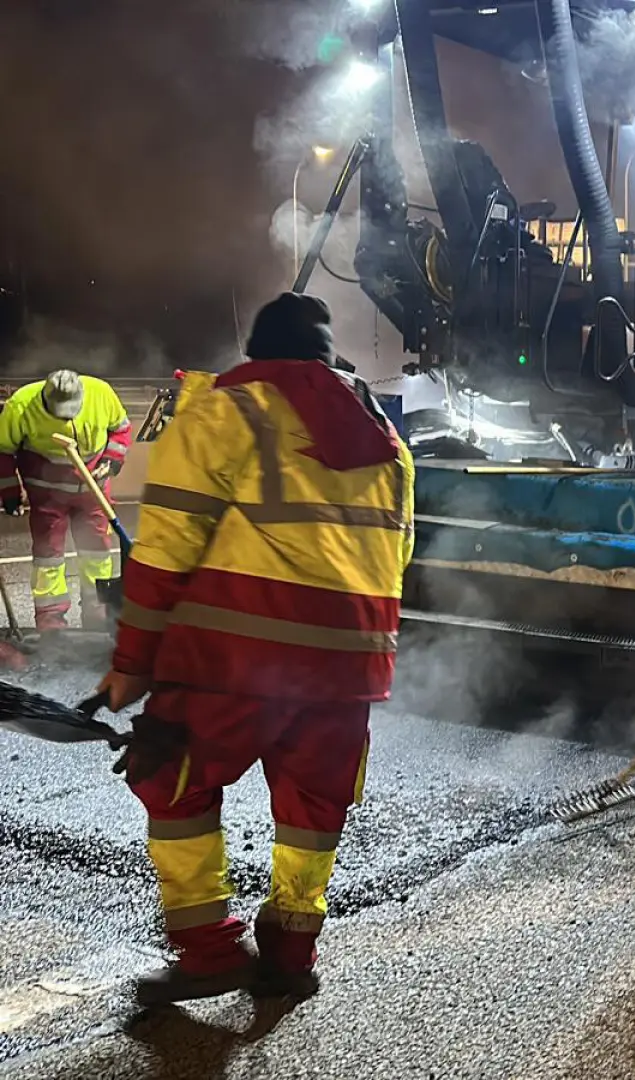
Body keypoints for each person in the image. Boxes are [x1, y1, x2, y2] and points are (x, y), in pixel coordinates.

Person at [96, 292, 414, 1005]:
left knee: (171, 779)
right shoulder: (385, 439)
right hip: (347, 665)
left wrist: (132, 666)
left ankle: (209, 949)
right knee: (313, 806)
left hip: (233, 654)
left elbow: (165, 550)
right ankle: (292, 952)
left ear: (258, 353)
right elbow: (398, 553)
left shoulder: (223, 411)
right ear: (328, 358)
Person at [0, 369, 131, 630]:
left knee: (96, 553)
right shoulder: (21, 405)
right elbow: (2, 452)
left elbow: (121, 430)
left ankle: (99, 616)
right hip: (48, 496)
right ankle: (50, 622)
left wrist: (110, 462)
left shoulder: (101, 393)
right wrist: (10, 493)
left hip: (93, 491)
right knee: (48, 556)